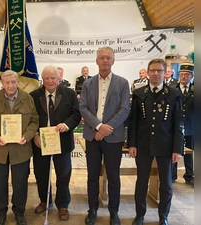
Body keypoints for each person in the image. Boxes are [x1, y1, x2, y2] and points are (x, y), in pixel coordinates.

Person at [128, 59, 184, 225]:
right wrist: (132, 144)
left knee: (166, 184)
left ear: (165, 73)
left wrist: (177, 148)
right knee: (141, 182)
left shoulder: (174, 94)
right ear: (148, 71)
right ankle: (140, 215)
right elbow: (133, 122)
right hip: (143, 145)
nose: (156, 73)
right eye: (152, 70)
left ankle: (163, 216)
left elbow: (178, 124)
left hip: (166, 146)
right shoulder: (139, 93)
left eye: (159, 71)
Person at [79, 46, 130, 225]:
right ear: (97, 61)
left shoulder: (122, 83)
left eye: (108, 58)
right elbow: (83, 108)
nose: (105, 60)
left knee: (114, 176)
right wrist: (99, 126)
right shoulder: (87, 83)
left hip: (113, 137)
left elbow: (125, 109)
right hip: (92, 136)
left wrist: (107, 128)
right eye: (102, 57)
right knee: (92, 176)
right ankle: (92, 209)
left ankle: (113, 211)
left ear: (113, 61)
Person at [0, 70, 39, 225]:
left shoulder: (27, 98)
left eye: (13, 82)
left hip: (21, 150)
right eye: (7, 82)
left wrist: (27, 136)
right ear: (2, 82)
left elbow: (34, 121)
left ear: (17, 82)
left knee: (20, 183)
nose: (10, 85)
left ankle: (19, 212)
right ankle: (0, 213)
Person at [30, 65, 81, 221]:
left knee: (63, 175)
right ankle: (45, 201)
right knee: (41, 174)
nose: (50, 81)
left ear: (59, 79)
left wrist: (66, 125)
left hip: (62, 141)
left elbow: (76, 113)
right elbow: (29, 118)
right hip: (41, 142)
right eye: (47, 78)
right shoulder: (33, 95)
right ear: (42, 80)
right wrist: (35, 135)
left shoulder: (70, 93)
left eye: (53, 78)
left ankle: (63, 205)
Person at [172, 62, 194, 188]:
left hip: (190, 125)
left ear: (192, 76)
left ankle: (189, 175)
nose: (184, 77)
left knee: (190, 152)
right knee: (175, 150)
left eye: (187, 75)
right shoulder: (173, 89)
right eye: (181, 74)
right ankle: (172, 175)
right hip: (176, 126)